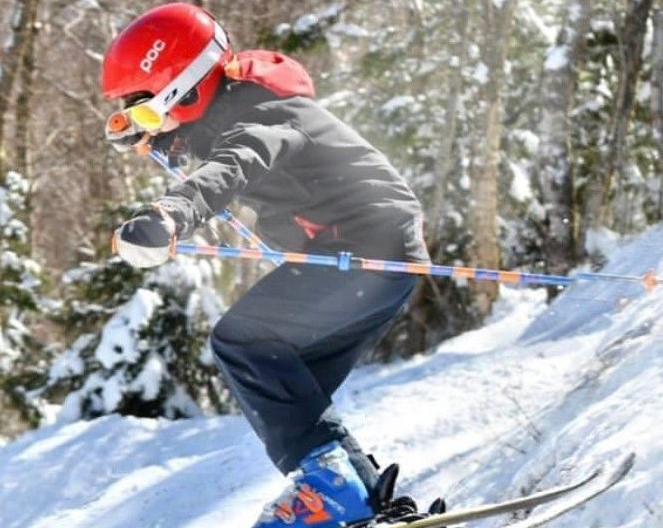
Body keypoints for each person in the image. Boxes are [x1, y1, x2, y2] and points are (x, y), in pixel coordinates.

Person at [100, 4, 437, 527]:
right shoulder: (239, 115)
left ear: (185, 89)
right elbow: (215, 147)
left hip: (367, 248)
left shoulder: (265, 116)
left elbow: (232, 166)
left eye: (149, 111)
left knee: (244, 342)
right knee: (285, 390)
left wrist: (171, 214)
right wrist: (165, 133)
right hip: (374, 257)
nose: (148, 129)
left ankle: (334, 491)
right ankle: (367, 501)